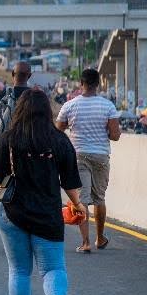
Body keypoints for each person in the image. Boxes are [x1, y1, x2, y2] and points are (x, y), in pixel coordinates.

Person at [0, 89, 85, 295]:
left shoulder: (9, 139)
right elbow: (70, 184)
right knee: (53, 269)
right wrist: (79, 205)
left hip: (13, 214)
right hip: (48, 215)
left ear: (20, 110)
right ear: (47, 111)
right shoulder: (59, 140)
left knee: (19, 271)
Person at [55, 68, 121, 253]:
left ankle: (85, 242)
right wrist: (110, 131)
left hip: (79, 156)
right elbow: (115, 136)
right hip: (100, 156)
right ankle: (100, 238)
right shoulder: (108, 106)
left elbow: (57, 131)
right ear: (98, 84)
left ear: (81, 83)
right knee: (99, 198)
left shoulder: (70, 106)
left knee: (81, 199)